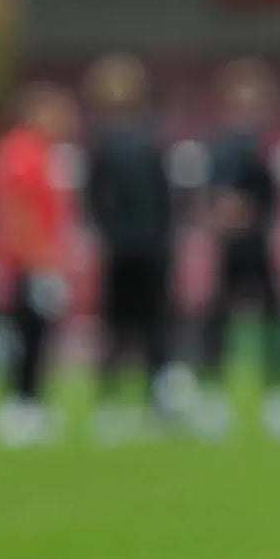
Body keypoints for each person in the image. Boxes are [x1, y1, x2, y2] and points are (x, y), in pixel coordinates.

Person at [200, 58, 280, 441]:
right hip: (232, 250)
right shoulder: (222, 149)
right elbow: (218, 202)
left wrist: (249, 214)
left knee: (272, 324)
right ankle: (214, 398)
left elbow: (269, 201)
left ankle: (278, 397)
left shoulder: (265, 147)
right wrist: (227, 211)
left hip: (259, 247)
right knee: (221, 324)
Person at [83, 53, 175, 444]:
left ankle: (158, 402)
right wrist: (112, 235)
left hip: (150, 252)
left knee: (154, 332)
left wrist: (159, 238)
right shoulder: (102, 147)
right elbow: (93, 201)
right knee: (117, 330)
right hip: (121, 252)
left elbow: (165, 200)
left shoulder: (152, 141)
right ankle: (111, 403)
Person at [0, 83, 79, 447]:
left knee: (41, 336)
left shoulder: (48, 153)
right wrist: (39, 260)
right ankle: (19, 406)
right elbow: (18, 211)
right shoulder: (20, 152)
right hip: (29, 263)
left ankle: (34, 402)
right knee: (27, 336)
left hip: (45, 260)